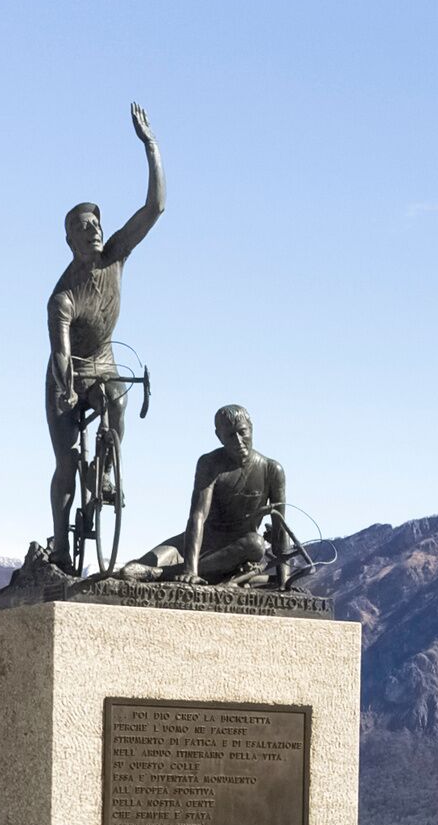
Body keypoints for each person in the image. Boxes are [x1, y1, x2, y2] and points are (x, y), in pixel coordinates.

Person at [45, 104, 164, 573]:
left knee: (117, 394)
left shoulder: (116, 255)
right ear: (70, 241)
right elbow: (60, 354)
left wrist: (151, 147)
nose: (93, 231)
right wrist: (67, 388)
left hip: (104, 362)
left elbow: (154, 209)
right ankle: (61, 544)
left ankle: (107, 470)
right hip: (68, 372)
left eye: (96, 224)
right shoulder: (62, 297)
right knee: (67, 462)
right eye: (83, 228)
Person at [118, 404, 299, 588]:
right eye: (230, 435)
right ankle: (178, 570)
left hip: (239, 548)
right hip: (201, 541)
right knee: (132, 570)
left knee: (256, 544)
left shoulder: (272, 470)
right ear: (219, 436)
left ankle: (160, 574)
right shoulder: (209, 463)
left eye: (242, 432)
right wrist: (190, 569)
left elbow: (280, 528)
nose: (238, 441)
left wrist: (284, 582)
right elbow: (198, 515)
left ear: (251, 428)